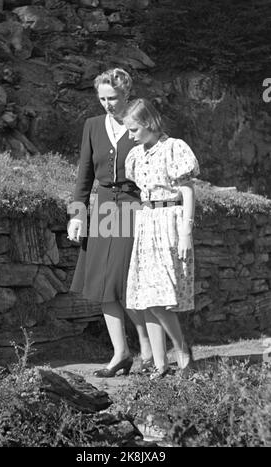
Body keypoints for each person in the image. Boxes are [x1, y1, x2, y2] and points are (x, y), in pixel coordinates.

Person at [67, 69, 162, 377]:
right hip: (105, 207)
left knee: (129, 282)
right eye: (102, 99)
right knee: (102, 283)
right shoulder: (92, 126)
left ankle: (147, 351)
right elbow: (84, 174)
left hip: (135, 207)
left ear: (127, 94)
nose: (107, 104)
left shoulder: (140, 124)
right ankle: (120, 353)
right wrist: (77, 215)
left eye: (114, 98)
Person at [123, 98, 200, 380]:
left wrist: (186, 232)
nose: (130, 135)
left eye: (133, 129)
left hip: (170, 220)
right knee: (146, 297)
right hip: (147, 221)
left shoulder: (173, 148)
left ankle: (182, 351)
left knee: (159, 298)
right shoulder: (136, 155)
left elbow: (188, 191)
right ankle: (160, 364)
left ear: (148, 123)